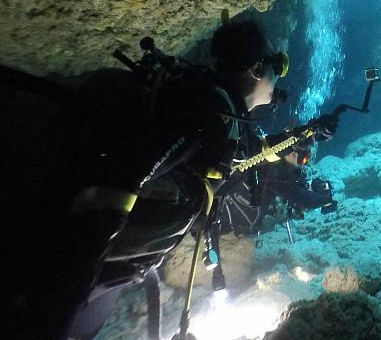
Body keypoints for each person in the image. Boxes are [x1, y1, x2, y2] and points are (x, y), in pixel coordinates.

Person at [4, 18, 336, 340]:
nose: (278, 78)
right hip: (65, 261)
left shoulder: (221, 113)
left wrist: (304, 134)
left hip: (109, 267)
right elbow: (128, 174)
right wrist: (61, 298)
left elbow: (252, 152)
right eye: (279, 66)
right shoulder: (205, 110)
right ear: (257, 69)